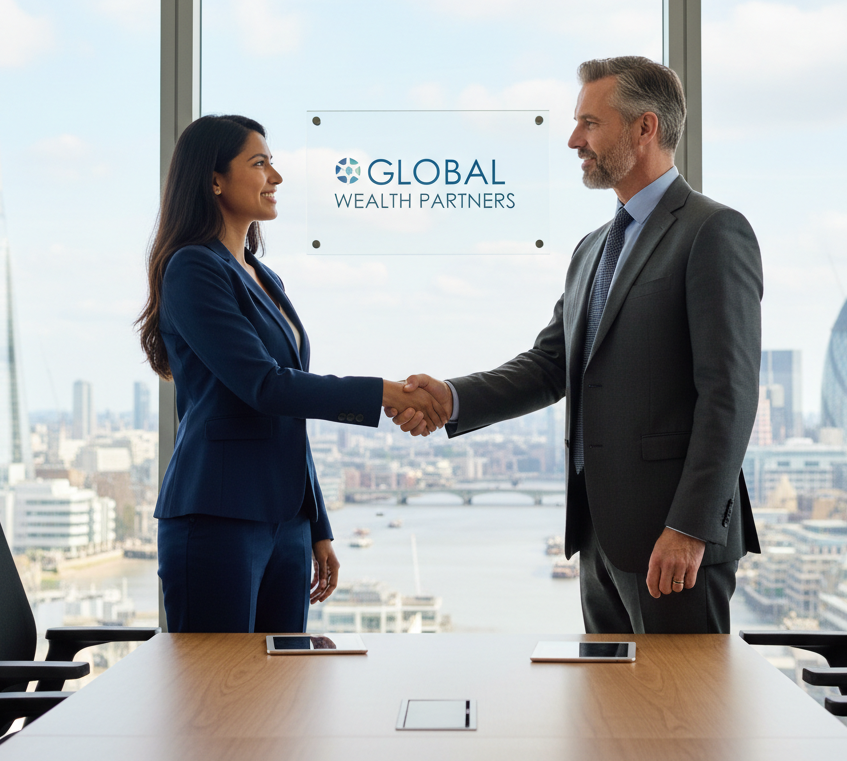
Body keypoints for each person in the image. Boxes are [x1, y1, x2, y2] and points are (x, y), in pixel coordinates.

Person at [394, 57, 762, 634]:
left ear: (645, 129)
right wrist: (451, 396)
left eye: (590, 124)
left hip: (674, 543)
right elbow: (550, 366)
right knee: (609, 716)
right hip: (598, 535)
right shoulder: (592, 249)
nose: (573, 140)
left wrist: (690, 529)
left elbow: (730, 396)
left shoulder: (712, 232)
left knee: (681, 718)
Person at [138, 114, 446, 634]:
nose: (276, 177)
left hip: (286, 523)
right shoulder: (192, 268)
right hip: (219, 516)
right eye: (260, 164)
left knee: (282, 693)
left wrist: (316, 524)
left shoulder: (262, 275)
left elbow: (288, 418)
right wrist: (386, 394)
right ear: (213, 180)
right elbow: (265, 386)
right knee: (219, 700)